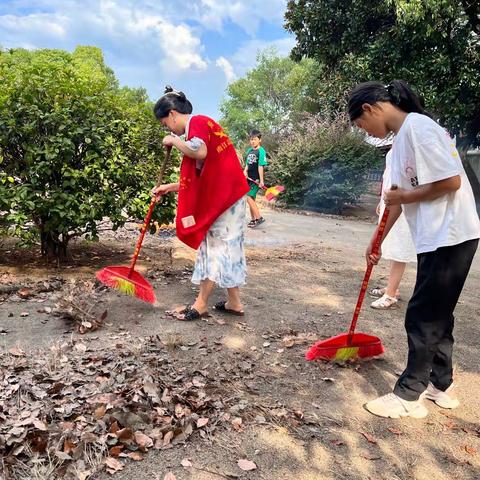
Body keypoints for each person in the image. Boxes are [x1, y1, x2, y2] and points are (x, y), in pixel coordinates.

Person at [348, 80, 480, 419]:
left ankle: (409, 395)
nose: (369, 133)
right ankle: (442, 386)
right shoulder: (400, 143)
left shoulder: (419, 127)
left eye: (363, 125)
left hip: (451, 233)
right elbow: (395, 201)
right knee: (438, 313)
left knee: (422, 314)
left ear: (370, 108)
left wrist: (404, 197)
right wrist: (375, 242)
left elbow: (450, 182)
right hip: (435, 236)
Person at [152, 86, 249, 321]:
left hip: (226, 199)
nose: (168, 128)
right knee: (228, 247)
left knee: (215, 247)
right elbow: (201, 176)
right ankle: (234, 302)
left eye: (165, 124)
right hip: (230, 196)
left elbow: (200, 152)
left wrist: (174, 141)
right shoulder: (205, 126)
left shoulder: (197, 122)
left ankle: (201, 303)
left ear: (173, 114)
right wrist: (169, 187)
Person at [370, 149, 417, 309]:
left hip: (402, 205)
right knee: (391, 245)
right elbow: (388, 175)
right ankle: (393, 287)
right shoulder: (396, 143)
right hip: (390, 202)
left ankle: (390, 295)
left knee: (399, 245)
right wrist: (381, 201)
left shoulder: (410, 141)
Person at [244, 130, 267, 227]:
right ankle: (253, 220)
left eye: (255, 139)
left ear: (259, 140)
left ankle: (259, 218)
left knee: (248, 197)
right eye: (251, 139)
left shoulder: (261, 151)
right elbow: (247, 164)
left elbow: (260, 166)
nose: (252, 141)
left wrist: (261, 181)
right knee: (251, 198)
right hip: (248, 179)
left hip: (256, 180)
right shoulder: (249, 151)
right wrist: (244, 171)